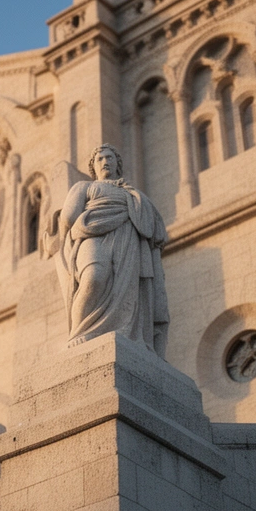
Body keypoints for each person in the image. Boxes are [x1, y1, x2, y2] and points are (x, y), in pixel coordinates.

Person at [56, 144, 170, 355]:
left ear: (118, 163)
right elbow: (68, 217)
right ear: (93, 167)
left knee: (127, 288)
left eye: (109, 157)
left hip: (126, 240)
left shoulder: (133, 194)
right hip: (92, 233)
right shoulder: (84, 187)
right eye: (99, 159)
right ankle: (80, 332)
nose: (105, 161)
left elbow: (156, 228)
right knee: (93, 277)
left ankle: (123, 332)